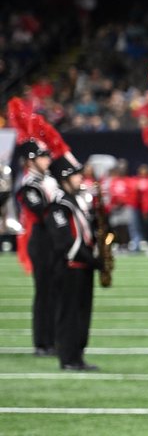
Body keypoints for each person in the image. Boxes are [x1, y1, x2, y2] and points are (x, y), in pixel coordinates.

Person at [45, 152, 99, 371]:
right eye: (75, 176)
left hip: (83, 266)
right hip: (69, 267)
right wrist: (90, 259)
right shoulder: (58, 205)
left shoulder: (76, 201)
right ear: (64, 179)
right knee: (69, 314)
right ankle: (68, 358)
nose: (80, 179)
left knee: (82, 313)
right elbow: (64, 242)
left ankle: (78, 355)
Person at [12, 121, 56, 356]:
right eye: (42, 156)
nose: (47, 159)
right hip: (40, 237)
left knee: (54, 290)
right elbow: (40, 210)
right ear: (31, 161)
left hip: (53, 238)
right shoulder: (29, 183)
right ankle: (42, 342)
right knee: (43, 291)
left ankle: (53, 339)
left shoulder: (50, 180)